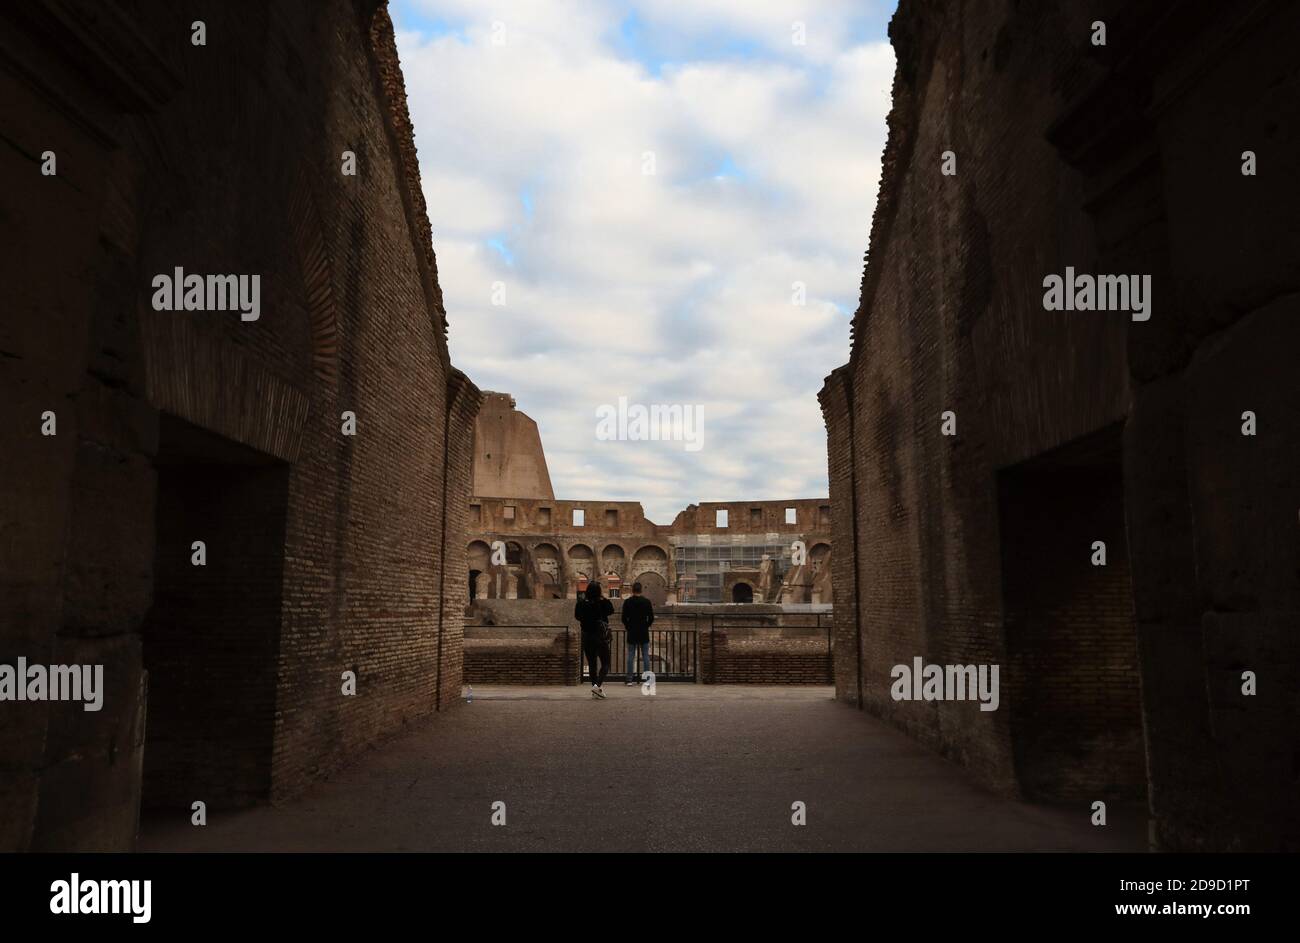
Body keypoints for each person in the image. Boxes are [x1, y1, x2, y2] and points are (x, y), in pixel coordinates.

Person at [574, 580, 613, 698]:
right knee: (606, 663)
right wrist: (603, 597)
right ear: (599, 592)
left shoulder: (581, 603)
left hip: (587, 636)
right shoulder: (602, 603)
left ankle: (595, 689)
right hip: (600, 636)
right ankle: (597, 687)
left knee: (592, 664)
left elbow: (577, 616)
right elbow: (611, 610)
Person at [620, 581, 655, 685]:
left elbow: (623, 618)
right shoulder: (647, 602)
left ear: (632, 590)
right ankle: (648, 680)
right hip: (643, 631)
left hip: (632, 631)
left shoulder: (627, 602)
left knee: (631, 655)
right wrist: (646, 625)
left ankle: (629, 679)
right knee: (645, 656)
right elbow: (651, 617)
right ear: (641, 590)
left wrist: (628, 626)